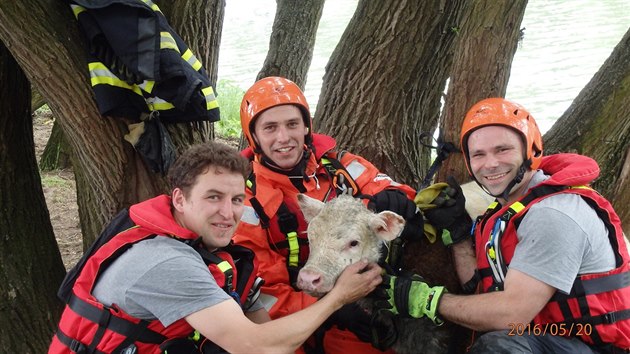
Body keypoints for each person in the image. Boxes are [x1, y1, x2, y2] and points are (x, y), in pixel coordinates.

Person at [48, 142, 382, 353]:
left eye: (237, 200)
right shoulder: (166, 262)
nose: (228, 213)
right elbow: (255, 347)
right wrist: (338, 298)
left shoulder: (216, 253)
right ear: (179, 198)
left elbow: (266, 334)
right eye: (213, 197)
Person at [374, 98, 630, 353]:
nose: (491, 164)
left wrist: (426, 300)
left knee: (497, 345)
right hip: (554, 337)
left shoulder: (553, 214)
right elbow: (485, 292)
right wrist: (459, 233)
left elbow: (510, 315)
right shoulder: (508, 208)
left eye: (502, 150)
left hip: (596, 346)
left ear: (531, 150)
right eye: (479, 155)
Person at [232, 76, 424, 353]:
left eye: (292, 124)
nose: (284, 138)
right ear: (254, 137)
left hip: (367, 297)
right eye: (270, 128)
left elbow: (393, 190)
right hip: (301, 320)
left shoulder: (339, 167)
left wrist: (397, 198)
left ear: (306, 127)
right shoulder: (247, 201)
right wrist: (332, 308)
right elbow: (262, 295)